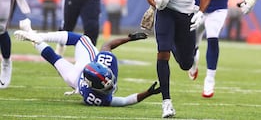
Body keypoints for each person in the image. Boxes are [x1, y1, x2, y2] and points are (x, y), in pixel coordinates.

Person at [14, 21, 160, 106]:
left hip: (78, 78)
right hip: (76, 79)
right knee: (55, 58)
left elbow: (107, 45)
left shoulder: (97, 93)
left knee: (79, 41)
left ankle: (35, 35)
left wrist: (129, 39)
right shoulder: (100, 94)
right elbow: (123, 101)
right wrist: (147, 93)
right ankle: (35, 36)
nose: (110, 87)